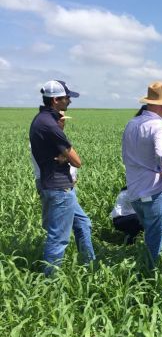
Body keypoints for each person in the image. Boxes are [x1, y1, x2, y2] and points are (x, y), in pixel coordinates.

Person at [29, 80, 95, 276]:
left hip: (56, 184)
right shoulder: (49, 124)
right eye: (67, 98)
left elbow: (59, 153)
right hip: (59, 188)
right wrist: (64, 156)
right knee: (58, 238)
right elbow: (77, 161)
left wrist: (60, 156)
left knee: (83, 223)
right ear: (55, 100)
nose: (69, 102)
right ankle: (50, 282)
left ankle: (90, 266)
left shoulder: (41, 119)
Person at [122, 82, 162, 268]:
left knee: (150, 234)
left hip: (135, 191)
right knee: (155, 245)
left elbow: (125, 154)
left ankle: (146, 269)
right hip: (154, 192)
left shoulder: (132, 123)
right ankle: (150, 279)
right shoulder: (159, 125)